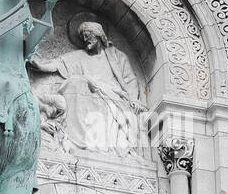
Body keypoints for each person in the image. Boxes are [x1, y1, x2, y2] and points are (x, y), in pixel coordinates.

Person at [29, 14, 146, 154]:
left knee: (78, 84)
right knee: (75, 83)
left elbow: (130, 80)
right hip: (86, 95)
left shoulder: (117, 57)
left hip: (114, 97)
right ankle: (79, 141)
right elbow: (58, 63)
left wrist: (133, 98)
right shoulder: (79, 56)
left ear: (98, 35)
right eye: (83, 36)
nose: (85, 39)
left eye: (88, 35)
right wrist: (38, 65)